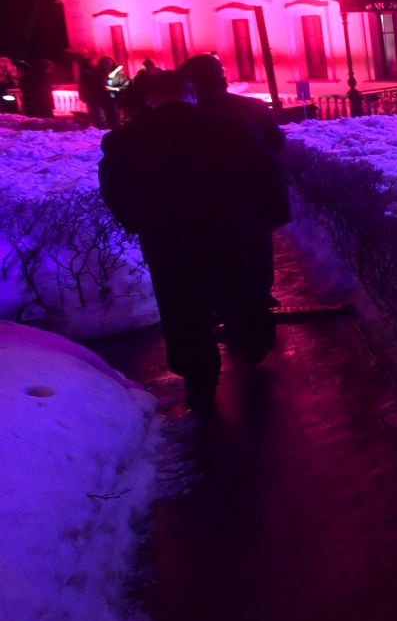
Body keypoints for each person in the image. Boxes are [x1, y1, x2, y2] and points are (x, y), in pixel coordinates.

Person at [98, 70, 282, 408]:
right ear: (191, 92)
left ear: (151, 99)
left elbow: (115, 189)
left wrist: (138, 222)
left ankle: (199, 376)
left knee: (182, 308)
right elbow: (265, 172)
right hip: (231, 233)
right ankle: (253, 342)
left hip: (169, 241)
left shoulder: (125, 139)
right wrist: (270, 216)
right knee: (240, 292)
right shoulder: (231, 126)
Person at [181, 54, 290, 318]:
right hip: (251, 193)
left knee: (218, 251)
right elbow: (275, 143)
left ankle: (229, 306)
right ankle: (260, 298)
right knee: (257, 246)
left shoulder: (188, 115)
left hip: (206, 199)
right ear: (221, 77)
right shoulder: (251, 108)